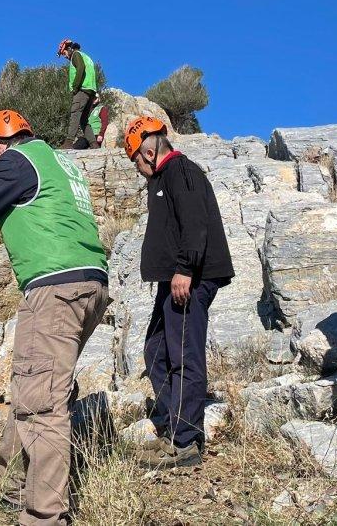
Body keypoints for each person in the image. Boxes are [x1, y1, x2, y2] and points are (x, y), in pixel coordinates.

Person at [0, 110, 109, 526]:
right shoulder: (59, 161)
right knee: (34, 386)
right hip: (90, 283)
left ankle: (44, 516)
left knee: (41, 404)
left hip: (54, 287)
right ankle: (8, 486)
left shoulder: (16, 161)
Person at [121, 116, 233, 469]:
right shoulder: (165, 176)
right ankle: (175, 428)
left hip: (190, 279)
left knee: (184, 354)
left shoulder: (181, 170)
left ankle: (185, 443)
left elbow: (195, 221)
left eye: (136, 160)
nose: (137, 168)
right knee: (156, 350)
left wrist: (185, 268)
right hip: (174, 279)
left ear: (149, 151)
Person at [57, 39, 98, 149]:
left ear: (69, 49)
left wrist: (75, 87)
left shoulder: (76, 55)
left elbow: (81, 68)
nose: (65, 57)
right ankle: (94, 144)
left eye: (64, 53)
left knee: (75, 114)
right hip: (90, 91)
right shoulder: (86, 56)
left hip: (82, 90)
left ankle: (68, 142)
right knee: (83, 119)